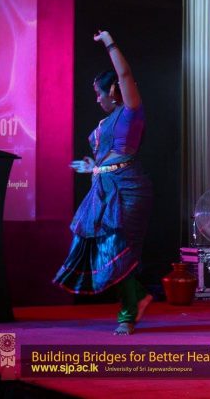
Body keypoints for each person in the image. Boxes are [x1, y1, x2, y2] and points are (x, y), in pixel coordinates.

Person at [53, 31, 153, 336]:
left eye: (99, 93)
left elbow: (125, 74)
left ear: (112, 90)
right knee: (103, 250)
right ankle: (138, 297)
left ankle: (128, 313)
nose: (97, 99)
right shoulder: (104, 123)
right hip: (103, 189)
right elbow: (104, 158)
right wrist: (92, 167)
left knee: (118, 248)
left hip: (127, 188)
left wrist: (109, 42)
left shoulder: (130, 110)